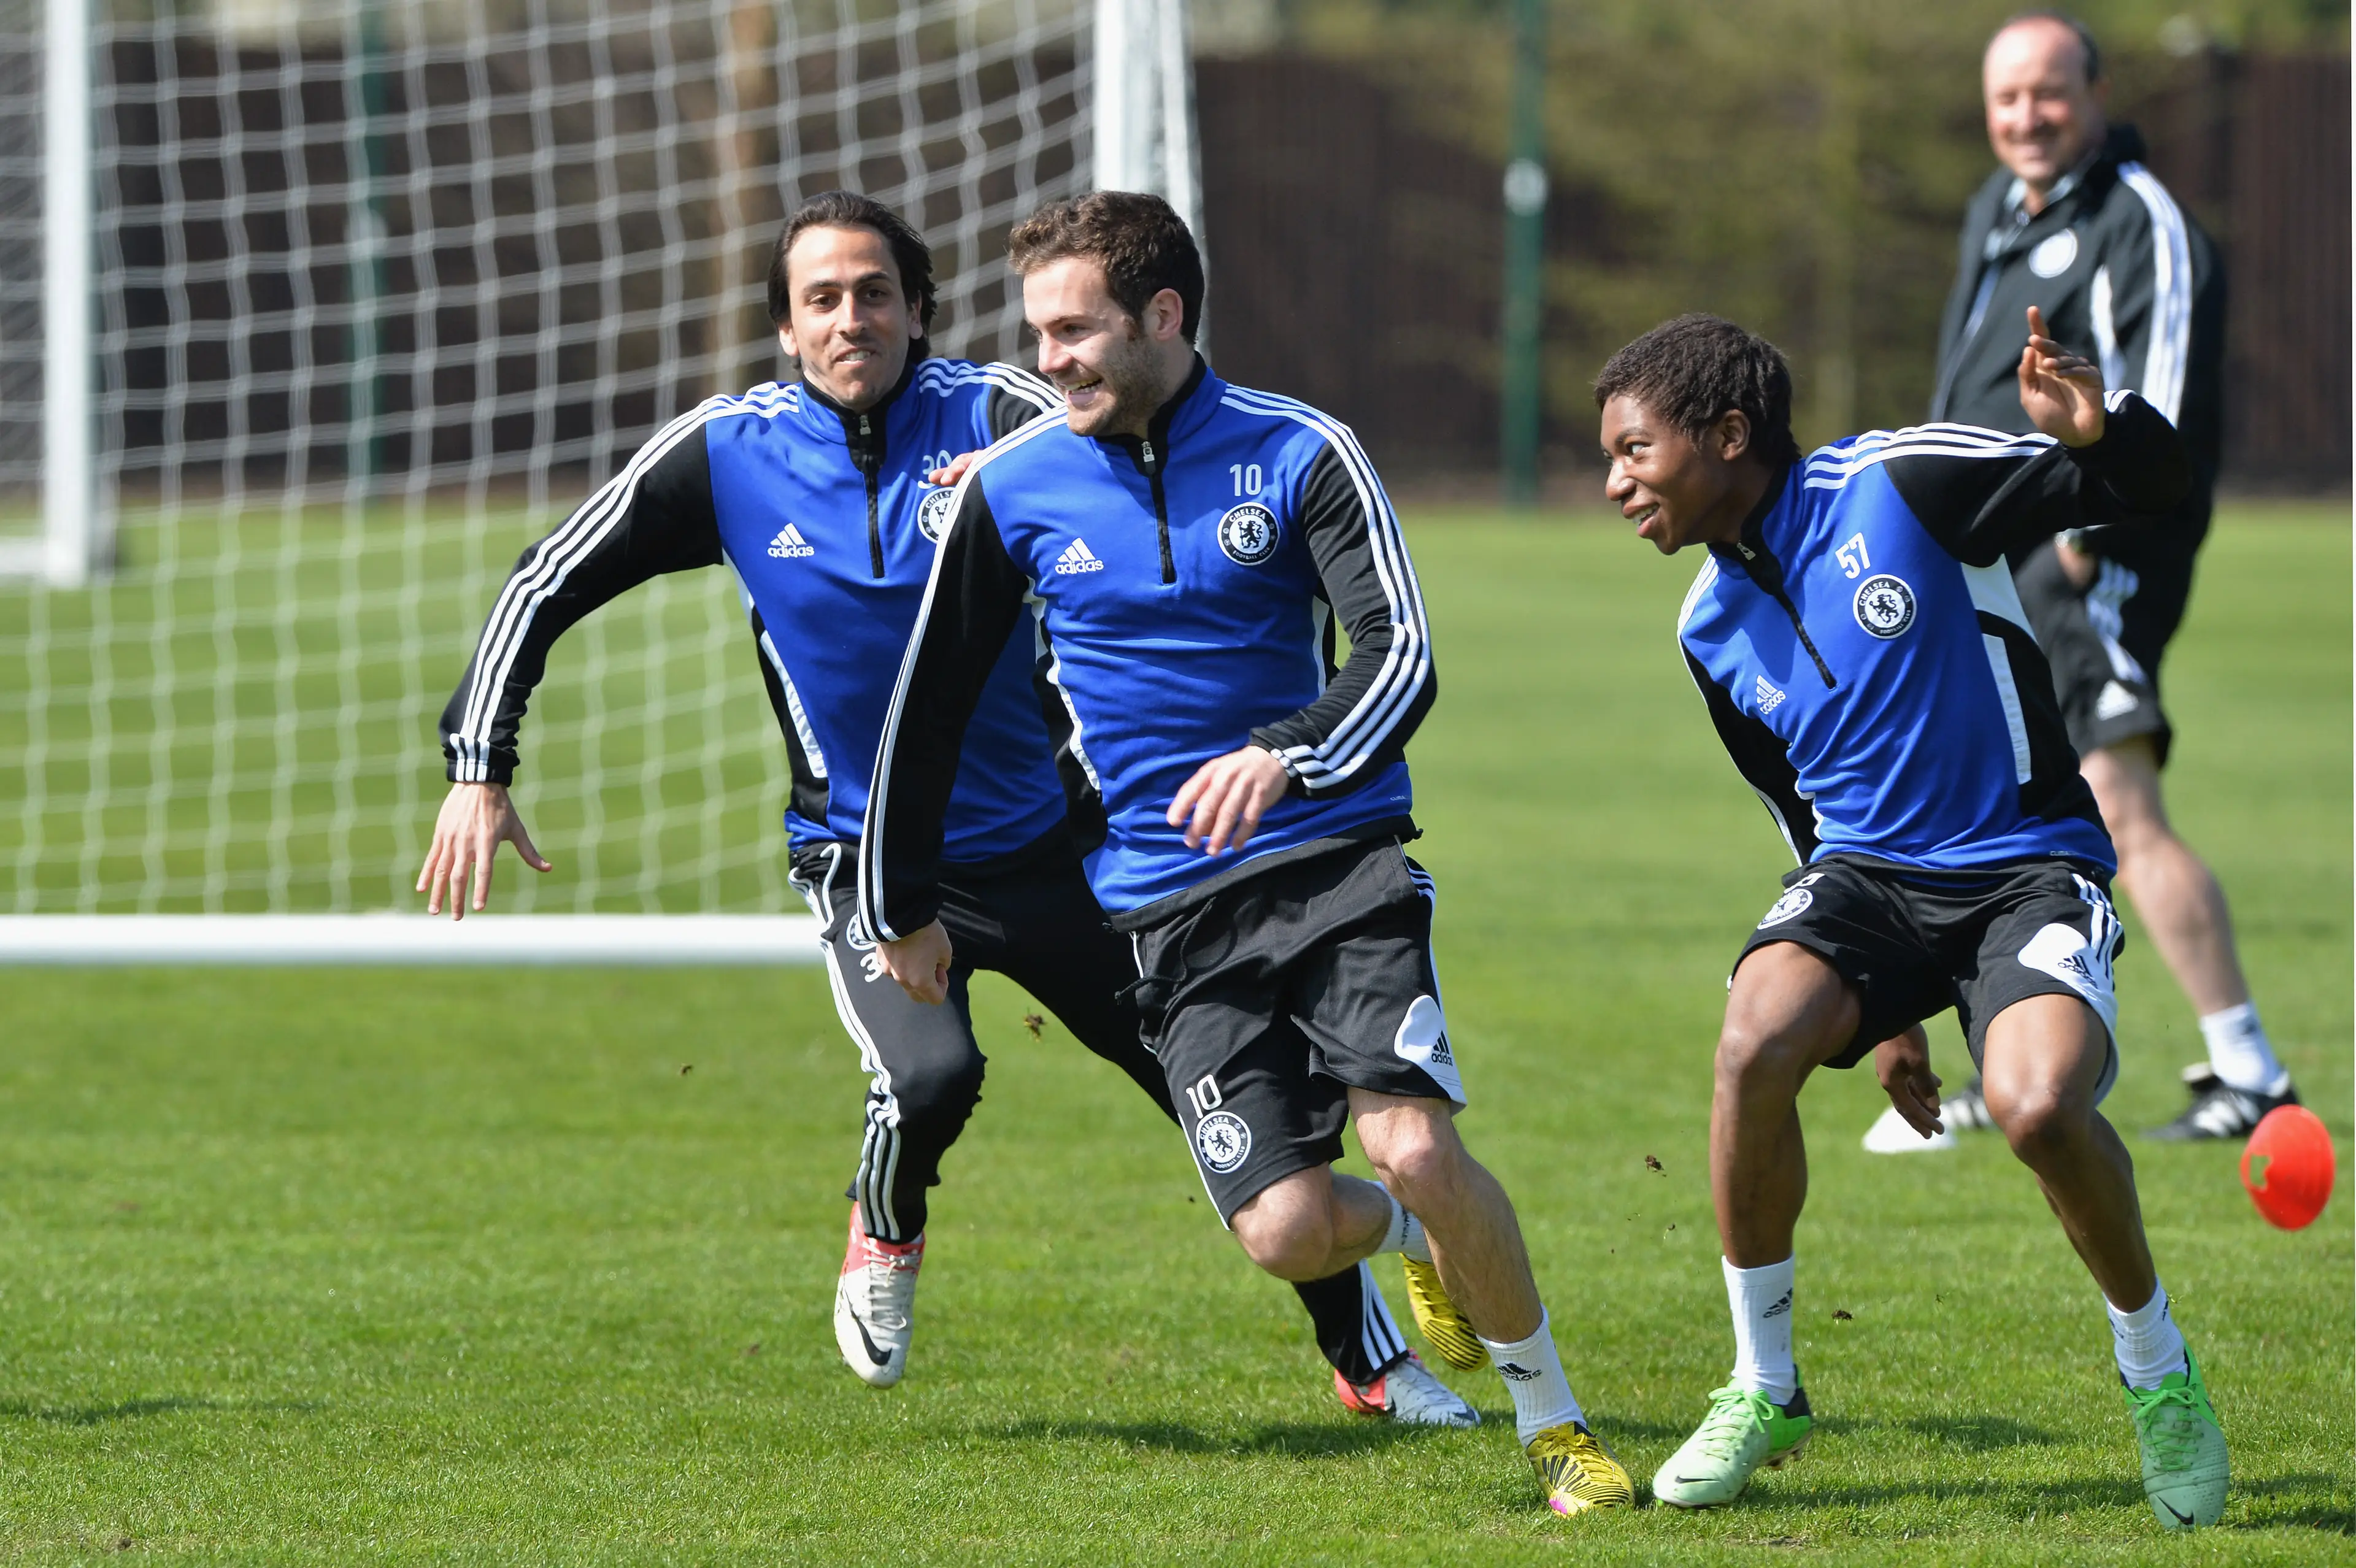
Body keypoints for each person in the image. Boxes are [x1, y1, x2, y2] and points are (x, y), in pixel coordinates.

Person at [414, 191, 1468, 1425]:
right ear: (785, 327)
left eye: (874, 293)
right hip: (870, 856)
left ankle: (1371, 1357)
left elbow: (1139, 423)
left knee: (1220, 1105)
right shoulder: (728, 453)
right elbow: (547, 580)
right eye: (821, 299)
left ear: (919, 311)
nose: (849, 318)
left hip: (1061, 847)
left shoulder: (1004, 417)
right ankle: (888, 1230)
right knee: (930, 1076)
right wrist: (480, 764)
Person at [860, 190, 1630, 1517]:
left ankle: (1558, 1430)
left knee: (1415, 1146)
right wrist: (902, 904)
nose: (1050, 363)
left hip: (1340, 868)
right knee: (1281, 1231)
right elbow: (927, 708)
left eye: (1076, 330)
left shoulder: (1302, 453)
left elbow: (1402, 657)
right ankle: (1414, 1245)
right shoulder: (1015, 489)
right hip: (1169, 915)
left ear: (1163, 315)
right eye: (1039, 334)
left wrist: (1288, 752)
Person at [1599, 311, 2227, 1529]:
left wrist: (2104, 428)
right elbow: (1798, 811)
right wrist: (1882, 1016)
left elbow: (2143, 488)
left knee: (2041, 1109)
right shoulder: (1704, 628)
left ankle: (2160, 1375)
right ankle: (1763, 1385)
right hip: (1869, 883)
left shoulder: (1895, 482)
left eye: (1634, 452)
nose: (1616, 482)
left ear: (1729, 436)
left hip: (2028, 868)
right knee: (1752, 1044)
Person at [1869, 9, 2295, 1150]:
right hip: (1983, 561)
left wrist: (2092, 533)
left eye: (2047, 93)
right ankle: (2001, 1061)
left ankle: (2248, 1068)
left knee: (2117, 799)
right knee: (2002, 806)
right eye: (2006, 98)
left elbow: (2163, 391)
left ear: (2094, 94)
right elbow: (1963, 381)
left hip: (2084, 560)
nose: (2026, 117)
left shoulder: (2141, 219)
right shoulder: (1993, 216)